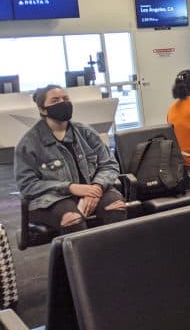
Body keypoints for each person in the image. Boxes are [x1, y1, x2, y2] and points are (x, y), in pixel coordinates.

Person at [14, 85, 127, 235]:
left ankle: (115, 255)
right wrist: (71, 188)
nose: (62, 102)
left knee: (116, 206)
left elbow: (109, 164)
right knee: (72, 219)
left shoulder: (85, 133)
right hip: (52, 200)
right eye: (55, 101)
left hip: (92, 189)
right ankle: (82, 258)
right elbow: (27, 184)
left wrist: (97, 187)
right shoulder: (28, 144)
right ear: (42, 109)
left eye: (65, 99)